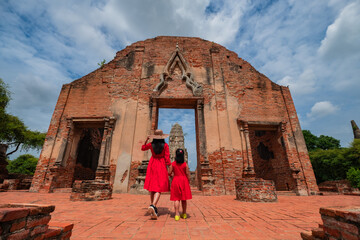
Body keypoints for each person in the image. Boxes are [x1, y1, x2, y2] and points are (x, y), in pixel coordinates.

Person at [141, 129, 171, 219]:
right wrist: (169, 167)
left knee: (152, 187)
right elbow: (167, 158)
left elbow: (143, 148)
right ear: (162, 137)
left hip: (152, 164)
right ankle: (153, 205)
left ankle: (153, 206)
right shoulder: (165, 145)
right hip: (161, 164)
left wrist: (147, 140)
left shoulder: (151, 144)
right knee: (159, 187)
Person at [168, 148, 192, 221]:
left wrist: (172, 175)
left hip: (176, 180)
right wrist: (188, 181)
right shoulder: (185, 164)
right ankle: (184, 214)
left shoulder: (173, 164)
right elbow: (188, 173)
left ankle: (177, 214)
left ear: (176, 155)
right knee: (184, 199)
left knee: (176, 199)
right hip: (184, 181)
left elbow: (169, 172)